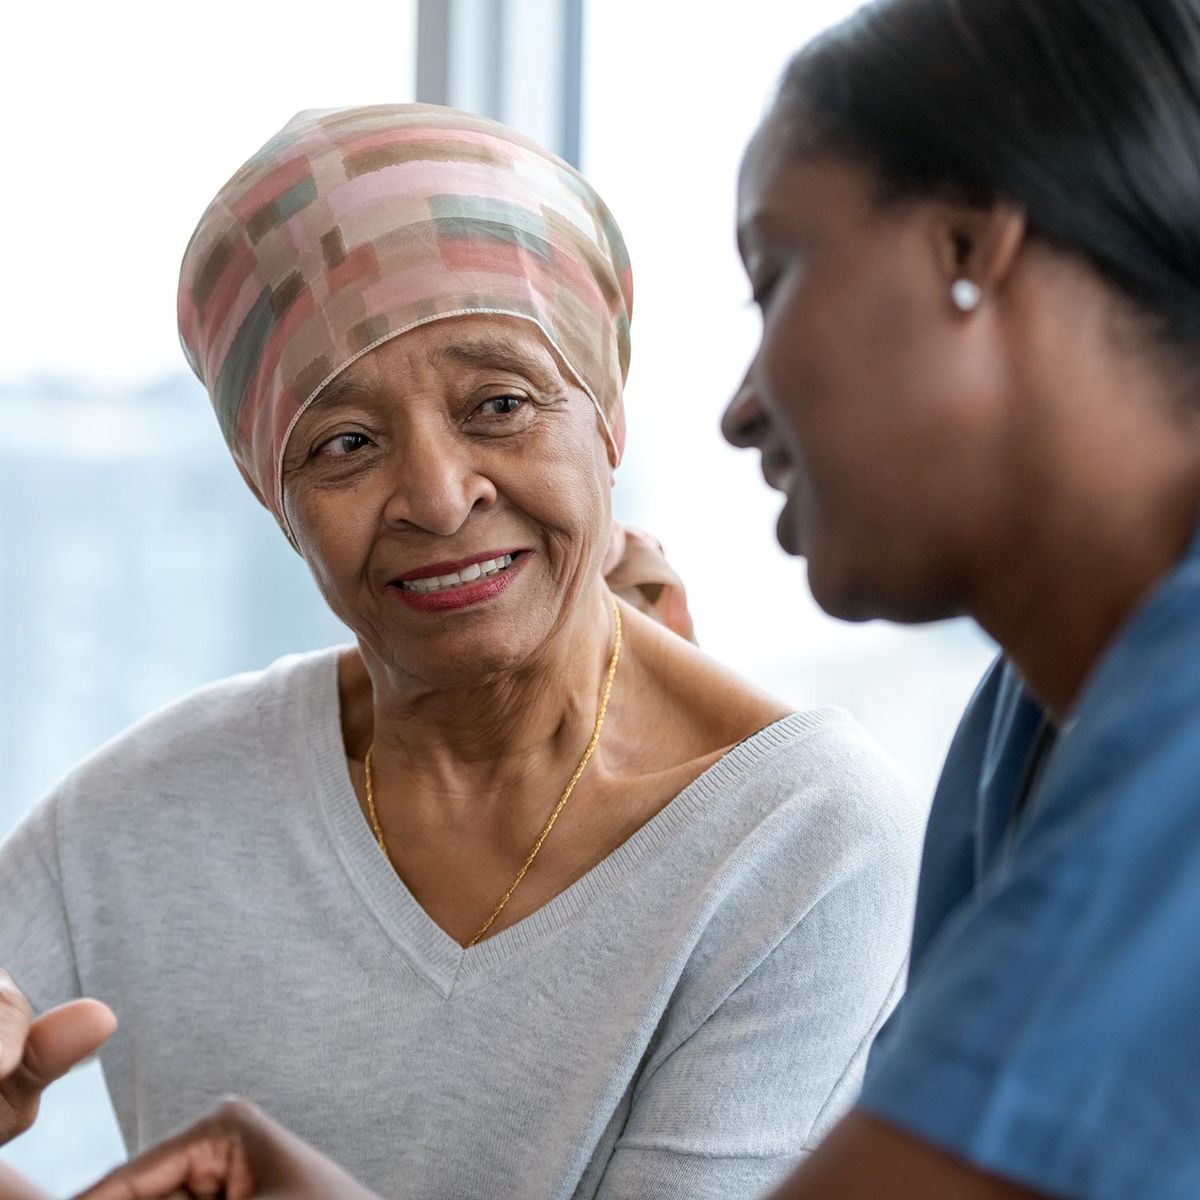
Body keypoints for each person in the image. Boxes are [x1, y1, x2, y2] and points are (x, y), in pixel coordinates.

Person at [66, 0, 1200, 1196]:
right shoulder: (1020, 743)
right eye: (341, 441)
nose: (740, 407)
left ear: (970, 254)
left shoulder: (1138, 765)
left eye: (775, 280)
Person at [0, 105, 920, 1198]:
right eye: (345, 444)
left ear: (607, 413)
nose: (440, 499)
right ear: (275, 498)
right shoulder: (134, 818)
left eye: (499, 404)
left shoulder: (797, 836)